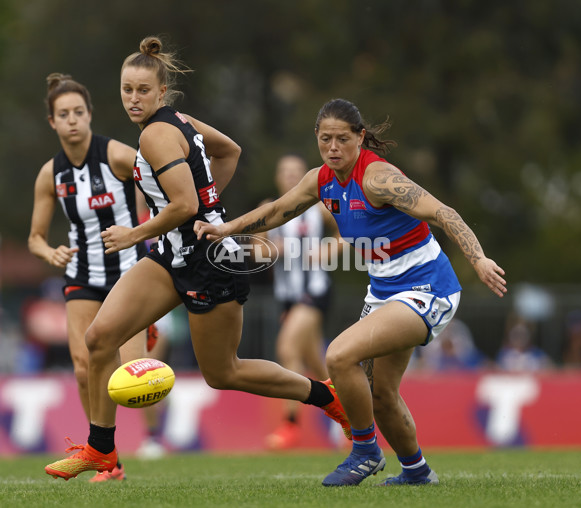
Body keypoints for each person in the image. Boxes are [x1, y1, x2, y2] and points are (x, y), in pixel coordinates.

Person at [44, 37, 349, 481]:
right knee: (99, 339)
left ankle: (326, 397)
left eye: (143, 91)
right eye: (127, 89)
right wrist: (210, 204)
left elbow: (184, 205)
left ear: (161, 93)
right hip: (172, 254)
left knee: (224, 372)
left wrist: (138, 231)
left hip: (209, 260)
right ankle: (101, 449)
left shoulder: (156, 133)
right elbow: (229, 152)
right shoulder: (177, 122)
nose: (133, 98)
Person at [194, 98, 507, 487]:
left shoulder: (378, 178)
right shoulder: (320, 179)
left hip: (428, 288)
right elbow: (277, 212)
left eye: (343, 139)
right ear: (317, 139)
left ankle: (365, 451)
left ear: (360, 138)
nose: (333, 148)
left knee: (339, 356)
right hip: (385, 291)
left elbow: (443, 213)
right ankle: (417, 472)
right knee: (380, 395)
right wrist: (226, 229)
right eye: (326, 139)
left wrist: (477, 259)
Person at [29, 73, 159, 482]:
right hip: (81, 274)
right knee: (84, 368)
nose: (72, 121)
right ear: (52, 121)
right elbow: (34, 238)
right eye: (63, 114)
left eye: (79, 113)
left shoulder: (118, 156)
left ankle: (147, 330)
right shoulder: (51, 174)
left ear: (90, 115)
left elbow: (160, 186)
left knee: (132, 371)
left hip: (128, 271)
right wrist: (50, 251)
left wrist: (146, 232)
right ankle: (107, 458)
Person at [262, 155, 337, 450]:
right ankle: (352, 416)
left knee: (287, 348)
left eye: (297, 171)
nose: (291, 176)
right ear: (278, 177)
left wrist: (331, 249)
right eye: (285, 171)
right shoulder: (269, 208)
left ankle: (290, 425)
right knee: (319, 365)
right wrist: (271, 249)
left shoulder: (319, 207)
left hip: (315, 291)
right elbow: (253, 249)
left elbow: (349, 231)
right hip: (287, 298)